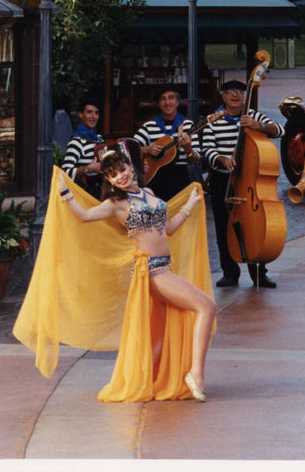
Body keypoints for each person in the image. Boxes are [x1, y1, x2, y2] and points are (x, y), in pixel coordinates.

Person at [57, 149, 216, 401]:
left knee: (161, 334)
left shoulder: (149, 193)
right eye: (112, 174)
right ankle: (196, 375)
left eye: (122, 169)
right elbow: (85, 216)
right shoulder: (115, 204)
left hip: (166, 267)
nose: (119, 176)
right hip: (151, 271)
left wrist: (190, 204)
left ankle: (138, 380)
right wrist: (65, 191)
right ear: (108, 180)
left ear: (131, 167)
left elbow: (170, 228)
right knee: (207, 306)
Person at [201, 79, 284, 288]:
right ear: (223, 96)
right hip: (223, 178)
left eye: (239, 91)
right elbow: (207, 150)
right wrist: (222, 159)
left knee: (255, 225)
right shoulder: (213, 120)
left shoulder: (253, 116)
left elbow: (280, 130)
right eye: (230, 92)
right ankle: (229, 272)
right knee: (223, 225)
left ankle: (259, 273)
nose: (235, 95)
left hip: (250, 179)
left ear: (244, 96)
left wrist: (259, 126)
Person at [134, 85, 200, 202]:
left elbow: (194, 160)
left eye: (171, 98)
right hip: (153, 181)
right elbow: (130, 148)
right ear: (159, 104)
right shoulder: (149, 127)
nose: (167, 102)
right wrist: (147, 149)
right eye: (162, 99)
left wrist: (188, 149)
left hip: (180, 181)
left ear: (177, 102)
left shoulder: (188, 126)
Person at [61, 94, 105, 199]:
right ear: (81, 114)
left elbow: (103, 165)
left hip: (102, 192)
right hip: (86, 194)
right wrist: (88, 168)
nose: (93, 116)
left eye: (96, 113)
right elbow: (65, 172)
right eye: (89, 112)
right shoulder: (77, 142)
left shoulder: (99, 139)